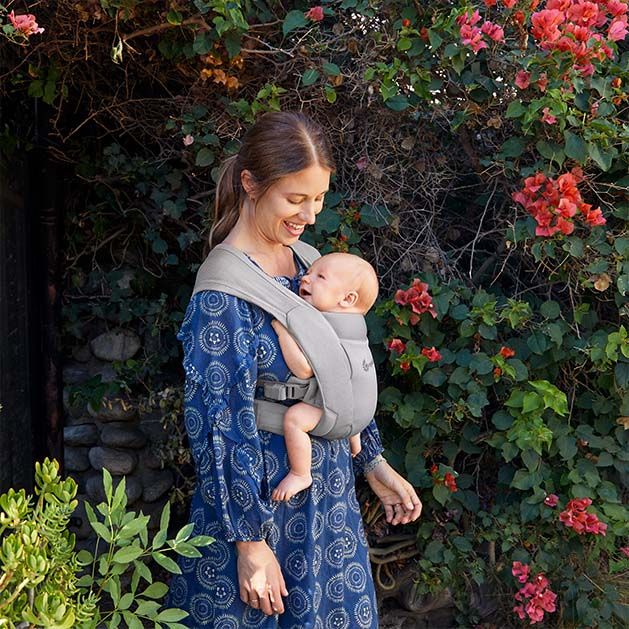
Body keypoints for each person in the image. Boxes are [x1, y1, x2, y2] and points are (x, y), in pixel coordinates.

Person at [166, 110, 422, 628]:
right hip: (262, 502)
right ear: (250, 184)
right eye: (296, 198)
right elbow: (217, 423)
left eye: (319, 198)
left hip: (328, 499)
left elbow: (340, 371)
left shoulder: (310, 265)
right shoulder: (222, 292)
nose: (310, 215)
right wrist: (249, 542)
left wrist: (372, 461)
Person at [270, 252, 379, 502]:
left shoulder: (324, 326)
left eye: (320, 277)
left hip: (339, 414)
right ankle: (354, 442)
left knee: (295, 419)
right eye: (309, 272)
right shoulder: (355, 328)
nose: (305, 278)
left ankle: (300, 473)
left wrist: (283, 332)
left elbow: (303, 369)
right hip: (361, 414)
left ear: (347, 299)